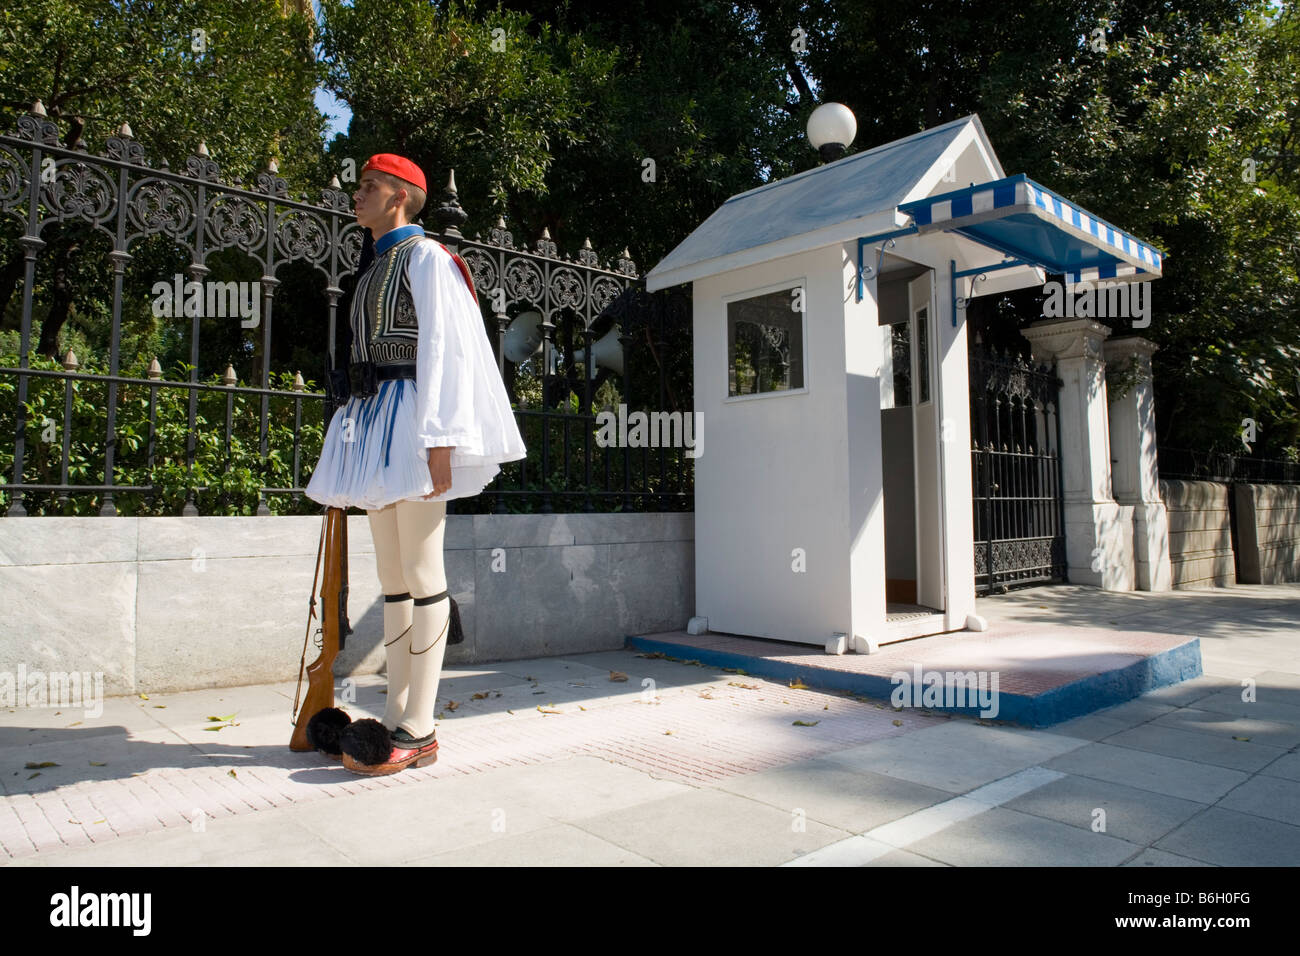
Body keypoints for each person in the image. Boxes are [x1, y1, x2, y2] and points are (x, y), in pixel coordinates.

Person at [303, 153, 526, 775]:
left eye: (368, 187)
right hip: (376, 422)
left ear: (400, 196)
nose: (358, 196)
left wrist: (444, 439)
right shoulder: (370, 266)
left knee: (424, 572)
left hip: (415, 422)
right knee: (395, 576)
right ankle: (397, 710)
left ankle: (421, 726)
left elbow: (449, 350)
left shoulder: (427, 258)